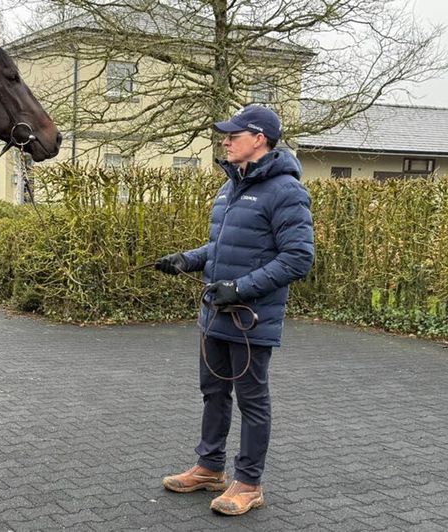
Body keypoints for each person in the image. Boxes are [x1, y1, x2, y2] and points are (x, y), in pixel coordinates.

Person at [155, 105, 314, 516]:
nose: (225, 140)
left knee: (252, 399)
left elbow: (298, 258)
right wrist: (187, 259)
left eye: (233, 135)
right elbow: (225, 248)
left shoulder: (286, 191)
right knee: (213, 393)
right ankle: (209, 468)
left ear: (258, 138)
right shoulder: (230, 187)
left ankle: (249, 482)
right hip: (216, 314)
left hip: (251, 319)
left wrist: (241, 289)